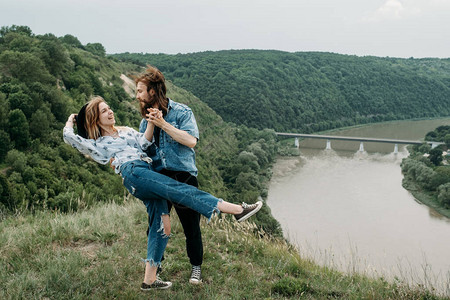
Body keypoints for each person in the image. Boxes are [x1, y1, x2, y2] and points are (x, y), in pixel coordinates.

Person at [63, 96, 263, 291]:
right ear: (95, 119)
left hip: (145, 171)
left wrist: (152, 122)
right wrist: (71, 121)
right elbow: (69, 137)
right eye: (104, 111)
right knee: (180, 190)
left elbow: (144, 144)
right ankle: (237, 210)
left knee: (162, 226)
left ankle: (149, 280)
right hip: (134, 172)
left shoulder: (124, 132)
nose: (110, 112)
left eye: (109, 108)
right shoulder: (98, 142)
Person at [134, 66, 204, 284]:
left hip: (183, 176)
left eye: (140, 91)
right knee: (156, 227)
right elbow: (143, 150)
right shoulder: (145, 120)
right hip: (158, 178)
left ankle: (196, 268)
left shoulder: (182, 112)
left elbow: (191, 141)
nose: (137, 96)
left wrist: (163, 124)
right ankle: (156, 266)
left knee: (190, 226)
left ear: (153, 92)